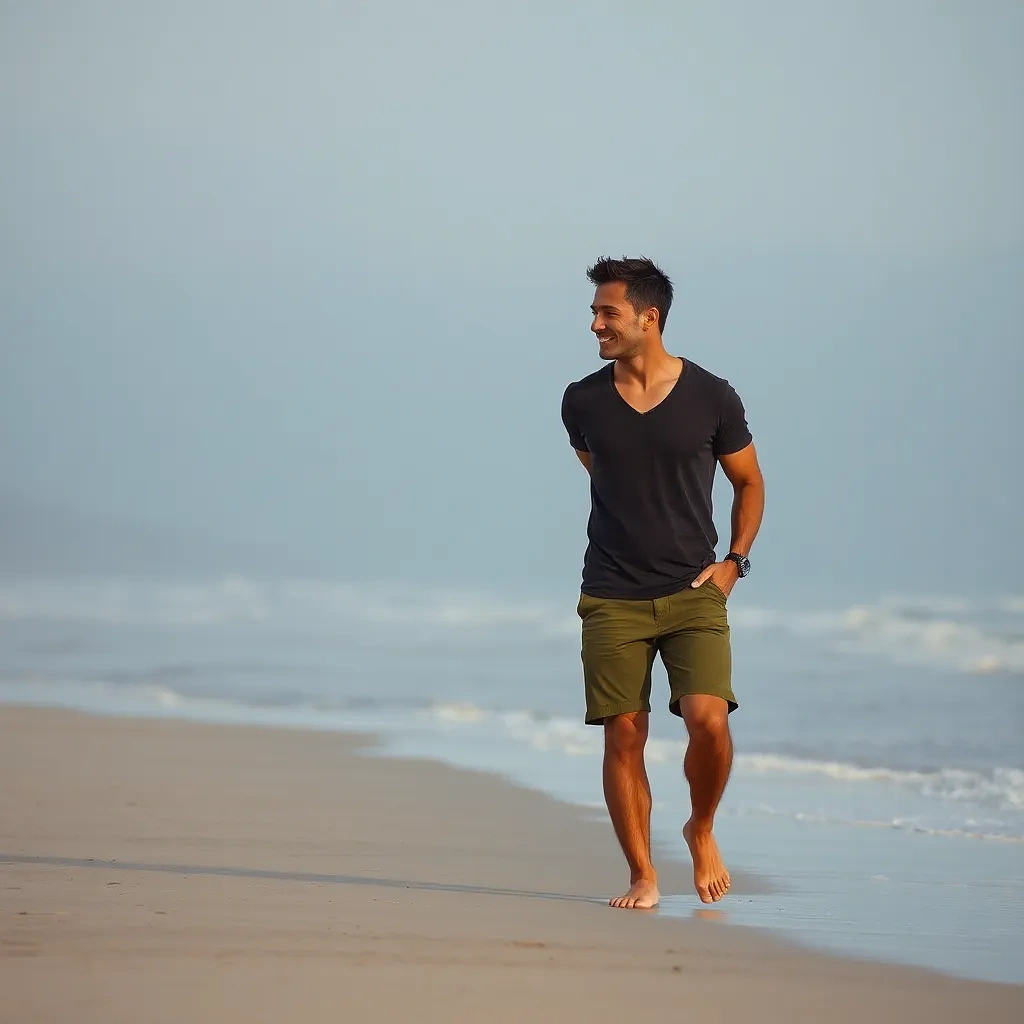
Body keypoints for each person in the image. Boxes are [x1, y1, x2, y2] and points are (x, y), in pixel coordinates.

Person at [561, 256, 765, 909]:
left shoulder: (713, 397)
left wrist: (734, 561)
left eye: (608, 313)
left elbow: (749, 483)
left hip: (693, 591)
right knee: (623, 733)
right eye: (595, 312)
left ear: (649, 318)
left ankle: (700, 827)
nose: (596, 324)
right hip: (611, 592)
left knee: (709, 721)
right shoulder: (582, 400)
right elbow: (604, 475)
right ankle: (642, 875)